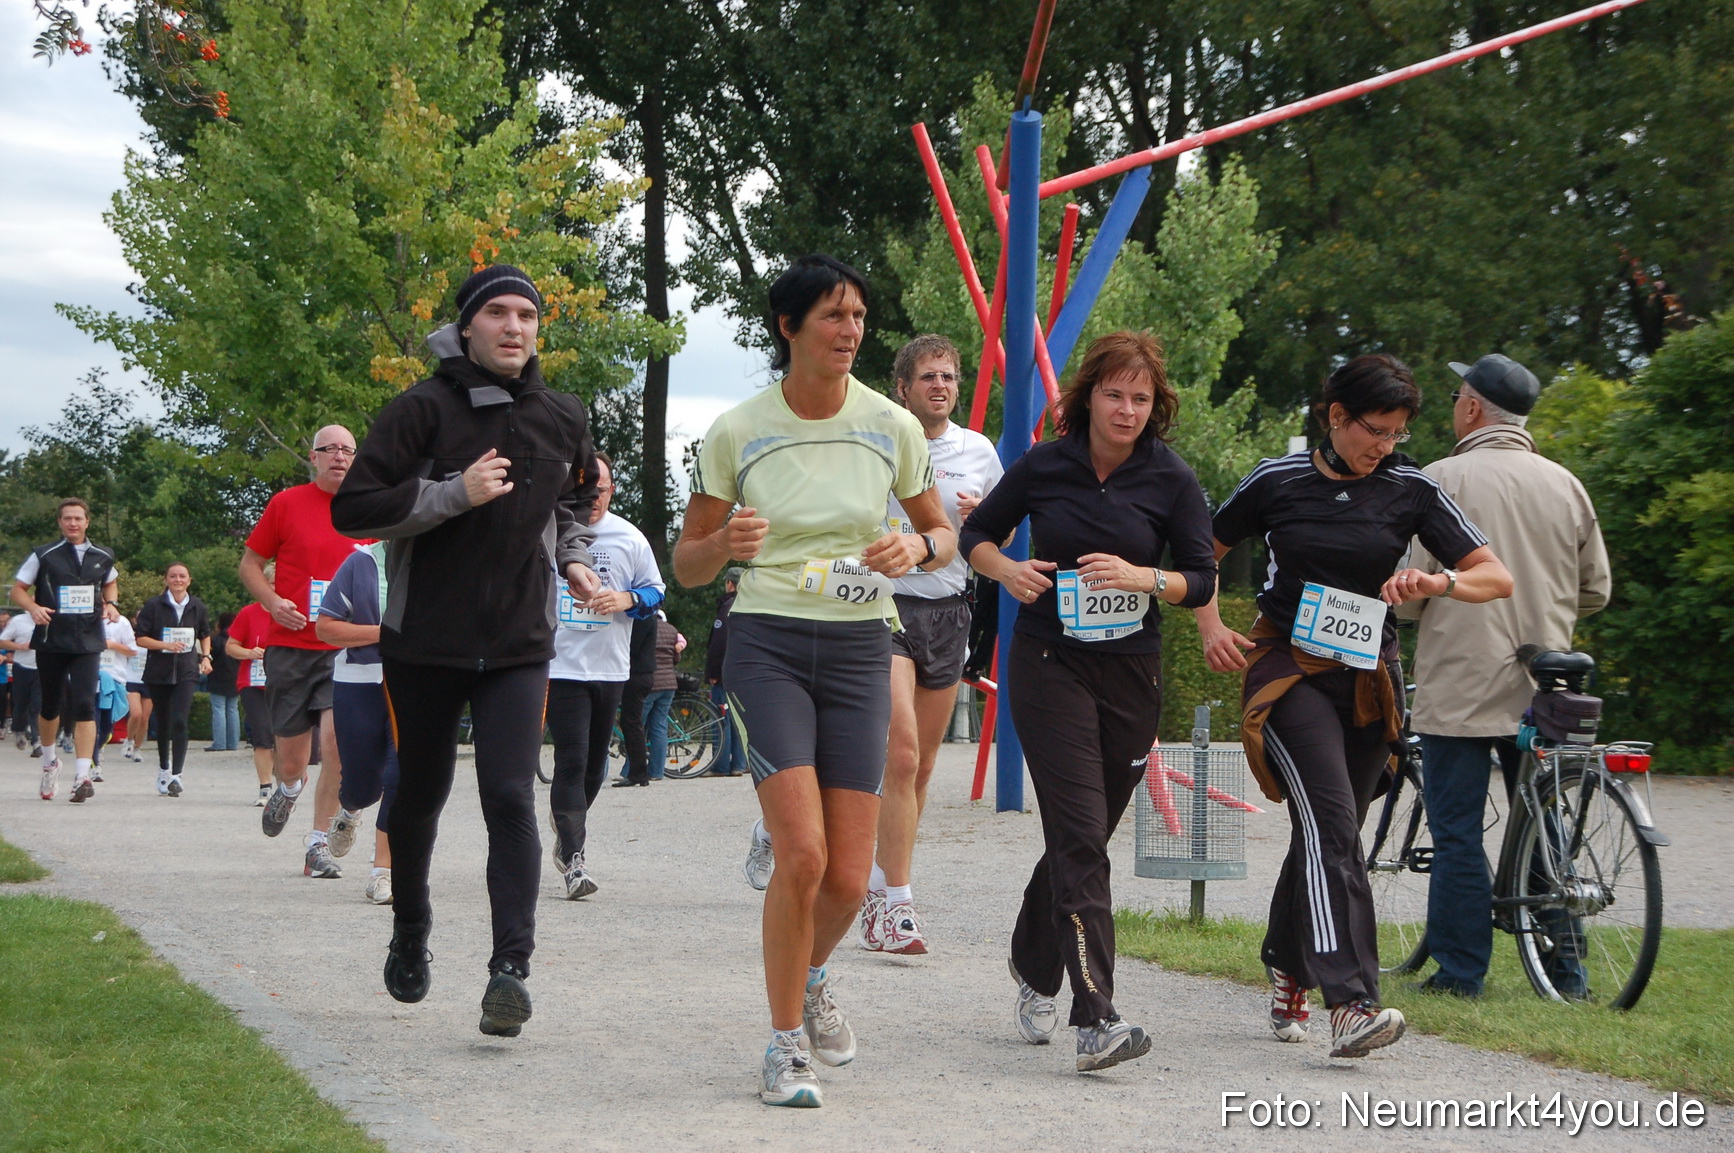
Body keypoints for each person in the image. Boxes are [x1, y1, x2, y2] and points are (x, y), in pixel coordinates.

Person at [675, 254, 950, 1108]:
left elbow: (942, 535)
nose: (850, 331)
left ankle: (816, 972)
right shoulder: (738, 429)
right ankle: (784, 1041)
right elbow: (686, 564)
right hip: (770, 645)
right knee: (802, 852)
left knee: (847, 874)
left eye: (859, 316)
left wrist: (914, 547)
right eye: (832, 316)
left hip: (863, 644)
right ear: (789, 327)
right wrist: (727, 545)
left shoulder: (892, 425)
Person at [1195, 353, 1513, 1059]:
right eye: (1375, 429)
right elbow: (1201, 552)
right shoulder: (1276, 480)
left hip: (1371, 679)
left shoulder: (1411, 487)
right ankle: (1352, 1003)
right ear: (1334, 417)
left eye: (1398, 433)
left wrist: (1435, 582)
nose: (1386, 445)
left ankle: (1286, 956)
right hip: (1287, 671)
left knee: (1328, 826)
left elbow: (1496, 576)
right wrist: (1212, 624)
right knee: (1334, 827)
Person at [331, 262, 602, 1039]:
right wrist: (455, 492)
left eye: (528, 316)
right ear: (468, 325)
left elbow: (574, 497)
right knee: (419, 791)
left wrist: (574, 556)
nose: (515, 327)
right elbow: (356, 507)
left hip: (520, 643)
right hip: (424, 642)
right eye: (500, 314)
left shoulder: (561, 413)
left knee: (510, 794)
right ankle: (411, 929)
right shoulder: (421, 410)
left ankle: (509, 970)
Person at [961, 331, 1215, 1072]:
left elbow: (1200, 578)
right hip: (1048, 663)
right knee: (1077, 833)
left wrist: (1146, 578)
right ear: (1088, 397)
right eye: (1115, 393)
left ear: (1155, 404)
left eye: (1141, 397)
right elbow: (977, 532)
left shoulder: (1171, 478)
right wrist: (1007, 570)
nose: (1128, 409)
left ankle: (1033, 960)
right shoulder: (1046, 464)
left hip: (1131, 671)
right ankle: (1095, 1015)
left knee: (1087, 834)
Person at [1394, 353, 1611, 999]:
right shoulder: (1565, 483)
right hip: (1548, 687)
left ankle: (1463, 972)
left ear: (1471, 408)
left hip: (1462, 683)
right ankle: (1566, 970)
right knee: (1547, 823)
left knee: (1457, 829)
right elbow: (1595, 588)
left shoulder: (1440, 479)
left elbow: (1407, 596)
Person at [861, 333, 1003, 957]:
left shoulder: (978, 450)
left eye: (948, 376)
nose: (940, 386)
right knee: (900, 757)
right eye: (927, 377)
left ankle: (872, 881)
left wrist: (982, 519)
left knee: (919, 771)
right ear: (903, 387)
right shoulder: (877, 436)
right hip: (883, 605)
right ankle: (896, 905)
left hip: (950, 609)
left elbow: (1001, 526)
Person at [243, 426, 362, 878]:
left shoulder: (367, 509)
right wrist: (272, 602)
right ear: (313, 458)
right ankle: (289, 787)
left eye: (347, 450)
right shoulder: (286, 504)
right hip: (291, 646)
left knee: (336, 745)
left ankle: (317, 845)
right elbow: (250, 564)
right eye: (329, 449)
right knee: (292, 759)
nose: (339, 457)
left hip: (343, 650)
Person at [555, 453, 665, 887]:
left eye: (600, 490)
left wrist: (626, 600)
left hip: (611, 667)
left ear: (612, 489)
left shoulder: (629, 537)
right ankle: (575, 856)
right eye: (585, 491)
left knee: (595, 766)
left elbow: (657, 591)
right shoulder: (553, 534)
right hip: (561, 664)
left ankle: (567, 828)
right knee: (571, 760)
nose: (593, 499)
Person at [11, 498, 122, 802]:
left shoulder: (103, 555)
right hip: (51, 639)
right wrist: (33, 608)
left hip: (88, 639)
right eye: (67, 518)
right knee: (50, 706)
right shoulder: (44, 554)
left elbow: (110, 584)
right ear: (60, 522)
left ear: (88, 521)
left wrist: (110, 604)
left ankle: (82, 775)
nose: (73, 523)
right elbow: (17, 589)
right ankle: (50, 763)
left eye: (78, 518)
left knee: (86, 704)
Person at [315, 542, 403, 905]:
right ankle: (349, 810)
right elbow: (325, 628)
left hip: (413, 684)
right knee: (364, 785)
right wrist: (385, 633)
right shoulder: (361, 562)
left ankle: (382, 873)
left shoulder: (440, 560)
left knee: (401, 778)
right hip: (359, 680)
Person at [134, 563, 213, 796]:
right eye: (173, 576)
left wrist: (206, 657)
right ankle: (163, 769)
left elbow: (205, 634)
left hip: (187, 672)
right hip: (159, 671)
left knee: (180, 720)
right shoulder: (154, 605)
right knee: (164, 722)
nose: (178, 580)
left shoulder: (197, 606)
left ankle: (177, 775)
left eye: (182, 576)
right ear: (166, 580)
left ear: (189, 580)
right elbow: (140, 639)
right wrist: (165, 645)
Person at [228, 595, 276, 804]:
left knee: (285, 737)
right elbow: (231, 646)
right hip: (253, 683)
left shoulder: (292, 612)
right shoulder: (248, 613)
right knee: (262, 733)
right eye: (271, 583)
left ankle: (288, 785)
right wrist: (248, 652)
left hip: (285, 683)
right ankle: (265, 787)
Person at [705, 567, 748, 778]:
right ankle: (739, 763)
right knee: (738, 720)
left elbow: (719, 642)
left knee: (721, 720)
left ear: (730, 584)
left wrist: (713, 671)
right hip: (744, 672)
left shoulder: (727, 606)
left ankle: (721, 765)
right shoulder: (749, 605)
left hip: (725, 672)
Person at [635, 612, 685, 782]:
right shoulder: (671, 630)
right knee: (659, 727)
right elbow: (676, 657)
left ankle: (632, 768)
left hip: (650, 683)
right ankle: (656, 772)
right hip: (669, 684)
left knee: (636, 726)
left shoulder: (644, 626)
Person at [93, 610, 137, 779]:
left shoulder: (121, 622)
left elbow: (132, 650)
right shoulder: (85, 616)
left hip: (113, 679)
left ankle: (99, 749)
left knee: (106, 728)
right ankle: (92, 764)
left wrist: (112, 645)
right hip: (89, 677)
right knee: (90, 723)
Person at [614, 613, 656, 783]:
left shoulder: (642, 618)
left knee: (631, 722)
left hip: (637, 674)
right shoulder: (649, 617)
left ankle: (638, 772)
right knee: (632, 721)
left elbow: (632, 646)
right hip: (642, 673)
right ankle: (638, 771)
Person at [1, 606, 40, 757]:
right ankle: (19, 730)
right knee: (21, 703)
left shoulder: (50, 620)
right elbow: (2, 641)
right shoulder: (18, 621)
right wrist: (19, 646)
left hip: (41, 668)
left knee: (37, 704)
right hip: (22, 667)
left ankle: (36, 741)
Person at [205, 611, 241, 752]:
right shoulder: (238, 640)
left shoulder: (216, 640)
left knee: (219, 709)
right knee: (233, 710)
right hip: (235, 677)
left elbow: (208, 657)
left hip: (218, 678)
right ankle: (233, 744)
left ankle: (219, 743)